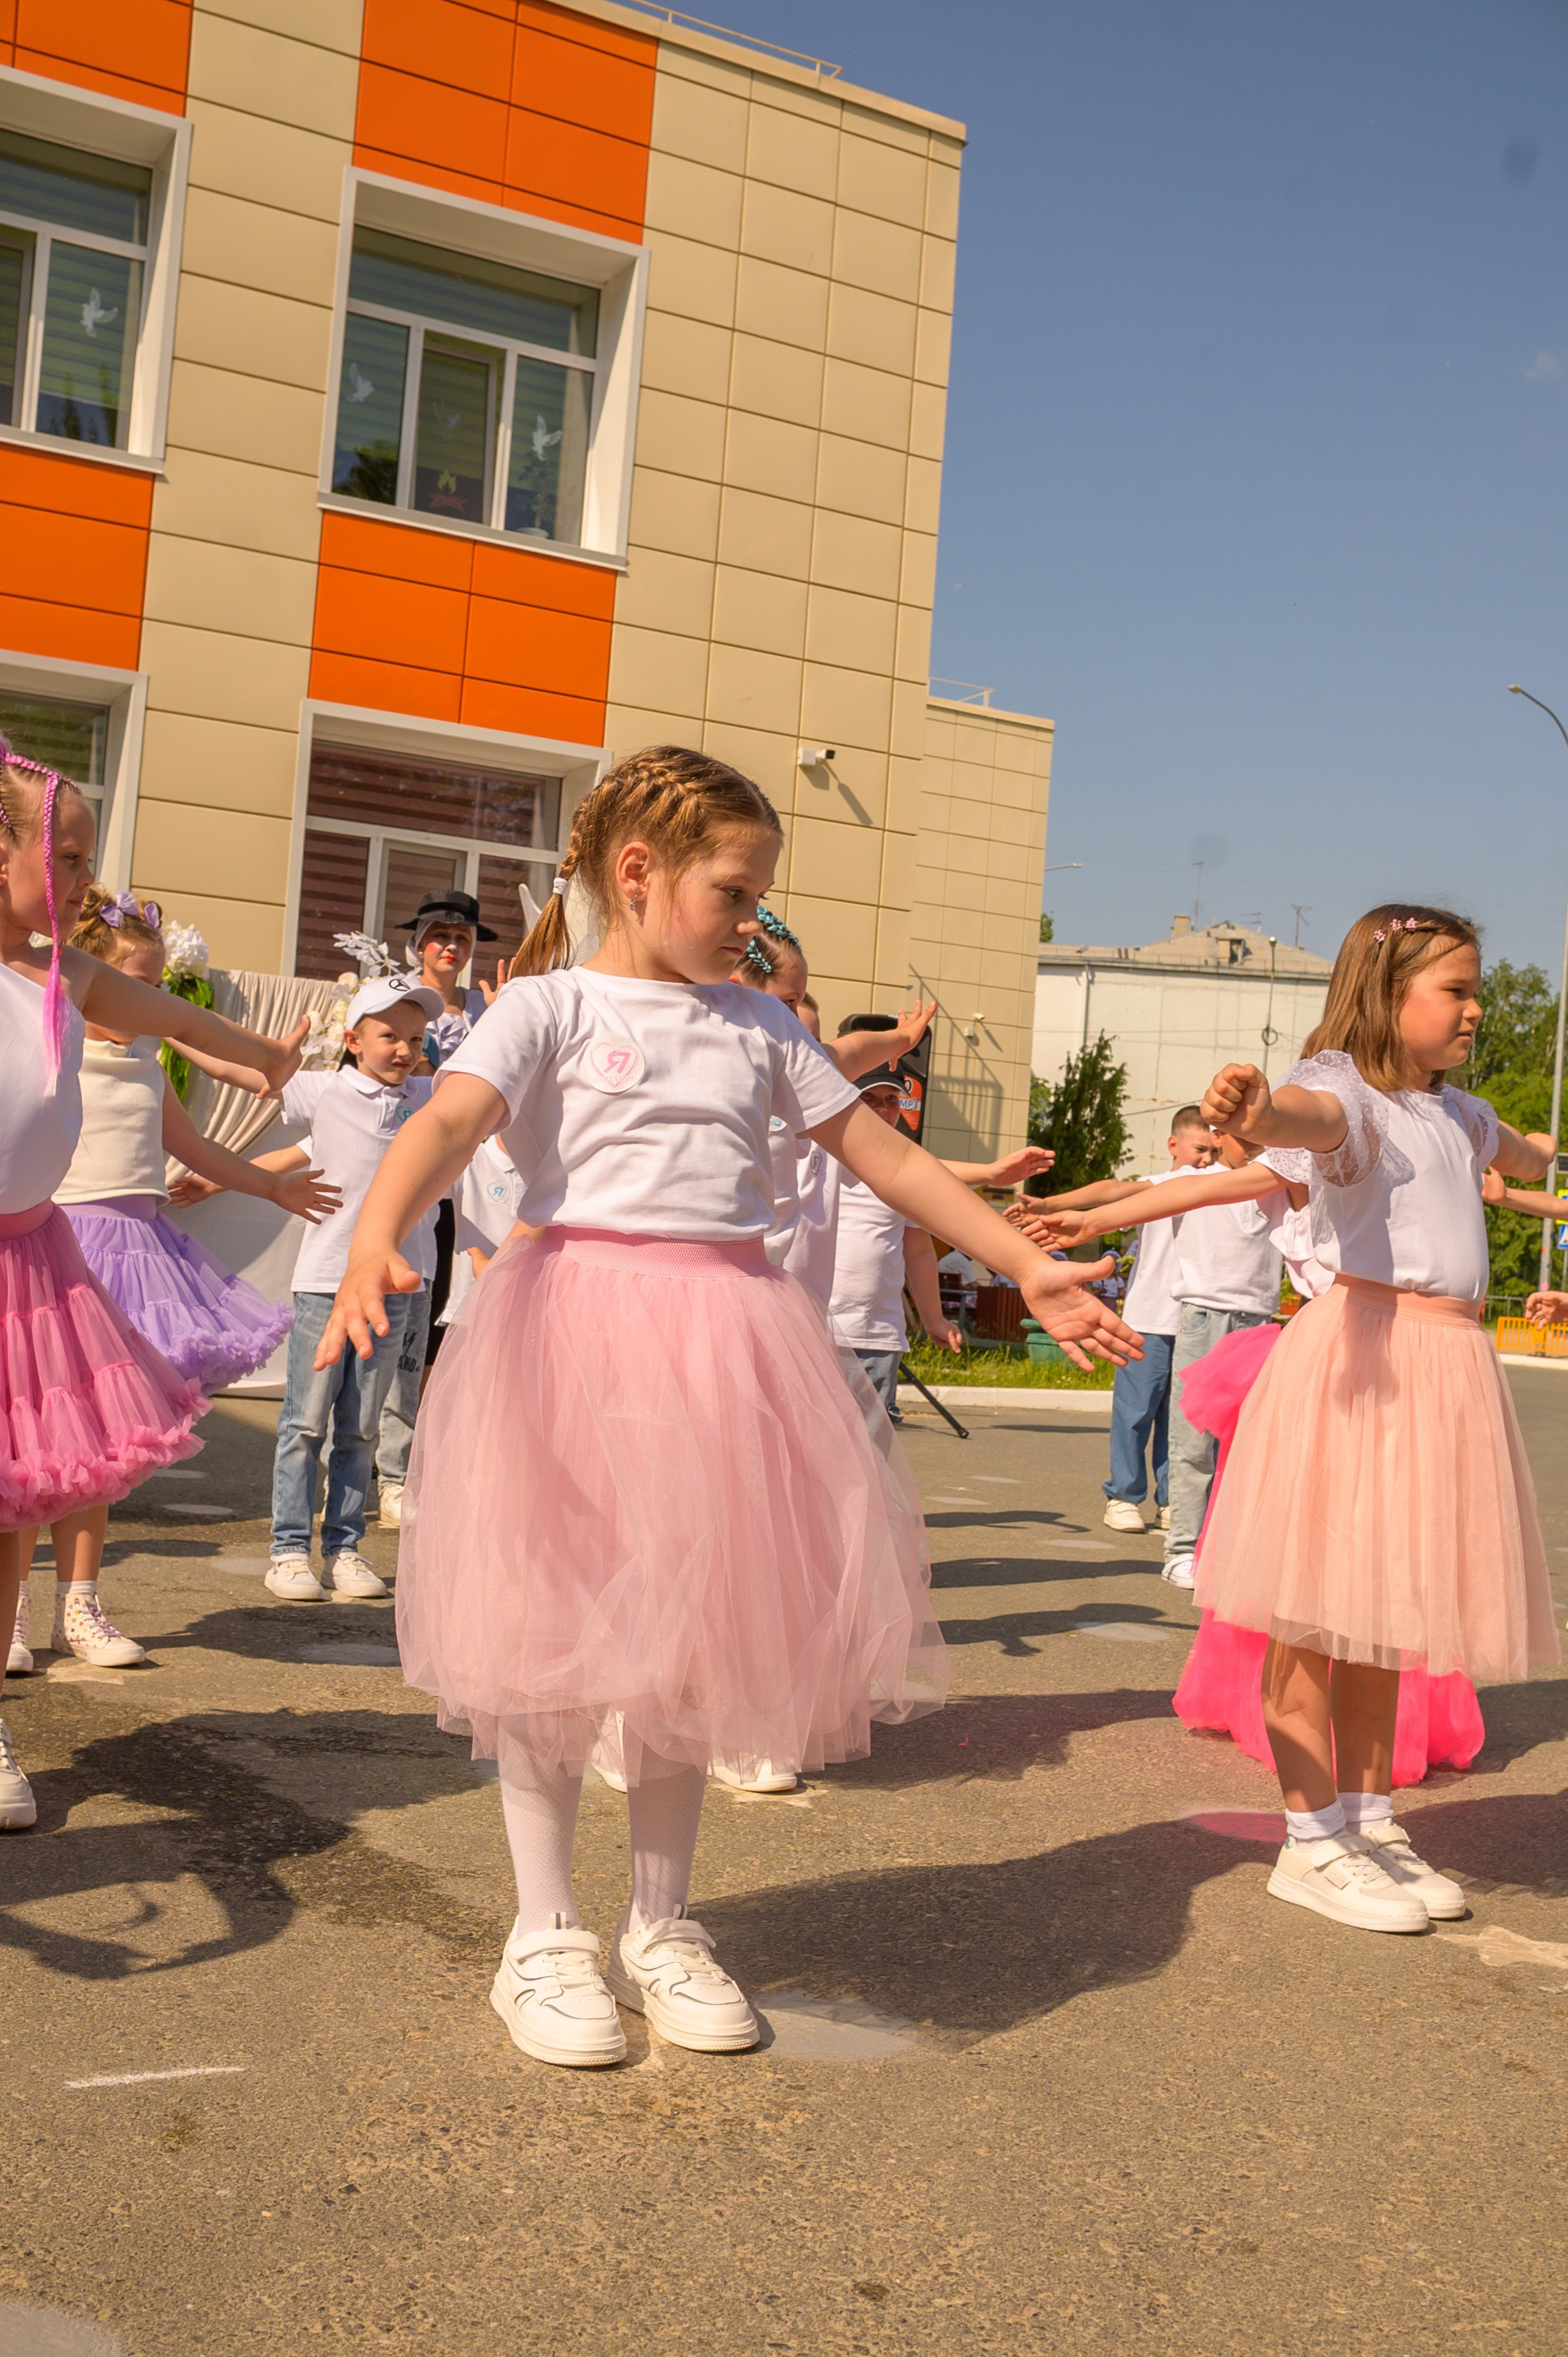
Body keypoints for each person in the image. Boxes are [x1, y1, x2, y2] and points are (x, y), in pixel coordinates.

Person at [314, 745, 1139, 2068]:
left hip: (726, 1340)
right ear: (639, 873)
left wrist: (1023, 1260)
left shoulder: (761, 1025)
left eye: (759, 898)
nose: (751, 922)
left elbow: (886, 1155)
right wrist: (374, 1236)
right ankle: (542, 1932)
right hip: (569, 1333)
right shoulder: (550, 1008)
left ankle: (661, 1921)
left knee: (689, 1648)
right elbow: (447, 1124)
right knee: (549, 1639)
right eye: (735, 892)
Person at [1197, 903, 1556, 1935]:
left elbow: (1528, 1154)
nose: (1477, 1009)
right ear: (1388, 994)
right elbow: (1300, 1119)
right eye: (1457, 990)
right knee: (1315, 1610)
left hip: (1445, 1368)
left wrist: (1536, 1149)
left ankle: (1368, 1816)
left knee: (1384, 1618)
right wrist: (1257, 1111)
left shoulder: (1460, 1114)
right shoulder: (1349, 1098)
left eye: (1478, 989)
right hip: (1365, 1360)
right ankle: (1309, 1840)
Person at [0, 746, 301, 1829]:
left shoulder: (69, 977)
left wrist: (263, 1053)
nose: (86, 877)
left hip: (32, 1270)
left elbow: (182, 1022)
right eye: (67, 856)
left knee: (14, 1501)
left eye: (87, 857)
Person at [1040, 1155, 1488, 1782]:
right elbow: (1195, 1188)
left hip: (1405, 1359)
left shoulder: (1396, 1148)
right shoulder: (1295, 1163)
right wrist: (1092, 1220)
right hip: (1328, 1357)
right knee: (1308, 1541)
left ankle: (1393, 1718)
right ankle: (1302, 1713)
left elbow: (1512, 1163)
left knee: (1390, 1538)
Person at [6, 887, 338, 1674]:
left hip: (137, 1252)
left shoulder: (148, 1070)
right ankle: (13, 1611)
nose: (149, 1000)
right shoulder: (52, 1045)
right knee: (30, 1445)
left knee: (98, 1453)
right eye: (139, 985)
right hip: (65, 1256)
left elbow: (199, 1148)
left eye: (157, 986)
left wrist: (269, 1184)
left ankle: (79, 1605)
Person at [261, 974, 445, 1603]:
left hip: (396, 1285)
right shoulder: (328, 1090)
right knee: (305, 1421)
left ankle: (344, 1547)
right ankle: (289, 1550)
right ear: (353, 1039)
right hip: (325, 1283)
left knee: (362, 1426)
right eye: (389, 1035)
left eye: (416, 1038)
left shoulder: (431, 1097)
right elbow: (256, 1075)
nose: (404, 1049)